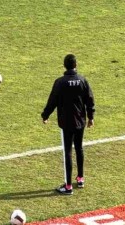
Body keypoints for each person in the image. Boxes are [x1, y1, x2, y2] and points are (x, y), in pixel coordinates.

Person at [41, 54, 95, 195]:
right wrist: (91, 117)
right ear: (76, 65)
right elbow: (89, 100)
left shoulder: (60, 82)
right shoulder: (82, 80)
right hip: (80, 121)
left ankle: (68, 186)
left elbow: (52, 101)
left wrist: (45, 115)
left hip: (66, 122)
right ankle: (81, 178)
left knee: (68, 152)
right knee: (79, 148)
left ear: (64, 66)